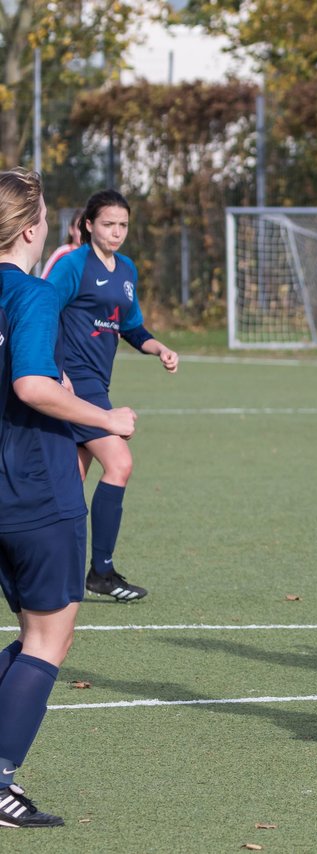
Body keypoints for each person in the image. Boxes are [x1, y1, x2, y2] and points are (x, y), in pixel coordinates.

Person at [0, 168, 138, 828]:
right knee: (48, 638)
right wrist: (105, 419)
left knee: (32, 634)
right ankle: (0, 779)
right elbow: (31, 385)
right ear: (31, 229)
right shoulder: (29, 295)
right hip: (35, 488)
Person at [46, 190, 179, 603]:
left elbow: (131, 327)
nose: (116, 232)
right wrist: (58, 372)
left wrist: (159, 348)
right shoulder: (71, 266)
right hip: (75, 384)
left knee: (70, 482)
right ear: (88, 225)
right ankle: (100, 571)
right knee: (119, 463)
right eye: (108, 224)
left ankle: (50, 570)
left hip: (96, 386)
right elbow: (42, 315)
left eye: (122, 224)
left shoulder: (126, 269)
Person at [39, 209, 82, 279]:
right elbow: (44, 278)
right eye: (80, 228)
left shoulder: (95, 256)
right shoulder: (62, 253)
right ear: (71, 230)